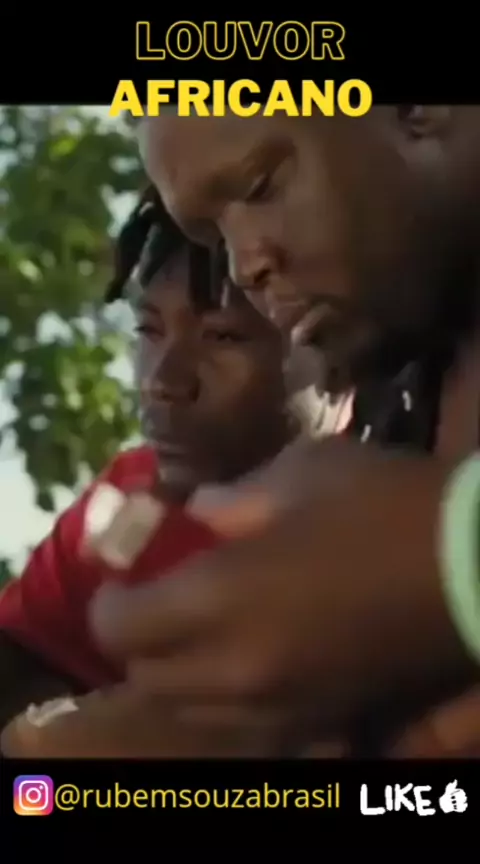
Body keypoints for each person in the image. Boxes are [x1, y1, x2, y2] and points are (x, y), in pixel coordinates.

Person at [69, 107, 480, 752]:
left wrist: (452, 552)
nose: (242, 268)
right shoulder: (406, 382)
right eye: (214, 236)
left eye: (260, 187)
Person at [0, 185, 292, 731]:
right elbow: (27, 648)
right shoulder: (130, 500)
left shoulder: (388, 510)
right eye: (148, 330)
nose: (163, 379)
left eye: (222, 336)